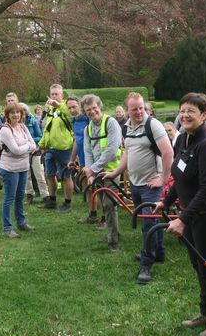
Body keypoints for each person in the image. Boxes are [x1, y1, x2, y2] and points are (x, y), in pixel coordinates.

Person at [155, 92, 206, 336]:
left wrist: (183, 219)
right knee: (198, 265)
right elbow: (179, 176)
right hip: (191, 213)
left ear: (205, 116)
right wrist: (166, 202)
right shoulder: (182, 140)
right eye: (183, 110)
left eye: (192, 111)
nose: (185, 115)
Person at [103, 92, 173, 284]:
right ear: (127, 109)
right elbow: (127, 152)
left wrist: (163, 179)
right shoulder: (126, 127)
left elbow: (168, 153)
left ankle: (146, 263)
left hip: (151, 185)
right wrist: (116, 172)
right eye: (134, 109)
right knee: (150, 220)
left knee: (149, 223)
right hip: (135, 183)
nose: (139, 112)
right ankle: (158, 252)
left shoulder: (153, 125)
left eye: (141, 107)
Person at [81, 94, 123, 251]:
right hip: (97, 172)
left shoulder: (111, 123)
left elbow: (112, 150)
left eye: (94, 108)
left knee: (109, 204)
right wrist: (90, 171)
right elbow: (87, 151)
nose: (92, 112)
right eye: (88, 110)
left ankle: (113, 243)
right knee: (105, 205)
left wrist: (93, 168)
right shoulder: (88, 129)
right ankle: (114, 234)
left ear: (100, 107)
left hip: (112, 171)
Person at [0, 102, 37, 238]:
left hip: (23, 167)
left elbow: (34, 145)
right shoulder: (5, 130)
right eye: (12, 112)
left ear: (21, 114)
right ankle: (7, 228)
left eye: (18, 112)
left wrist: (25, 147)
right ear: (7, 115)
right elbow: (16, 150)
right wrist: (27, 146)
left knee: (20, 197)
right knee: (9, 198)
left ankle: (21, 223)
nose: (16, 115)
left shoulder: (23, 127)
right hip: (10, 169)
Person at [38, 84, 75, 212]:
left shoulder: (66, 108)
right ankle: (52, 200)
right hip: (50, 148)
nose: (53, 96)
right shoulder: (51, 110)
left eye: (56, 94)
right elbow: (47, 129)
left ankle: (67, 203)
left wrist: (58, 105)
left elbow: (71, 116)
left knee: (66, 176)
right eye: (52, 94)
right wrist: (41, 144)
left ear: (62, 95)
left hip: (64, 149)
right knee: (50, 175)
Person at [19, 103, 49, 205]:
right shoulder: (15, 123)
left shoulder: (32, 121)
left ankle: (45, 195)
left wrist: (29, 140)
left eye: (23, 111)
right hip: (22, 152)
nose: (21, 113)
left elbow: (39, 136)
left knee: (39, 173)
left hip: (34, 151)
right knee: (26, 175)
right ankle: (29, 195)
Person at [67, 95, 90, 168]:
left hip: (93, 162)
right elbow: (77, 141)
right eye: (69, 108)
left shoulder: (89, 118)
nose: (72, 110)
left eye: (74, 107)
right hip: (82, 161)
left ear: (80, 105)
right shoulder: (74, 121)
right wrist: (72, 159)